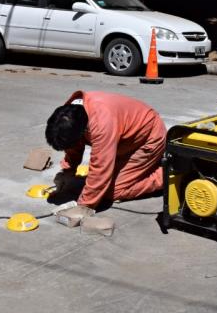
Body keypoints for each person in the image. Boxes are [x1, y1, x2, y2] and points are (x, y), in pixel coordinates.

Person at [45, 91, 166, 225]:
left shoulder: (101, 123)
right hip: (122, 140)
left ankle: (168, 173)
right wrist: (68, 171)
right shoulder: (70, 113)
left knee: (112, 191)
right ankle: (145, 167)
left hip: (146, 138)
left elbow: (101, 168)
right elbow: (74, 144)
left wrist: (85, 205)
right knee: (102, 183)